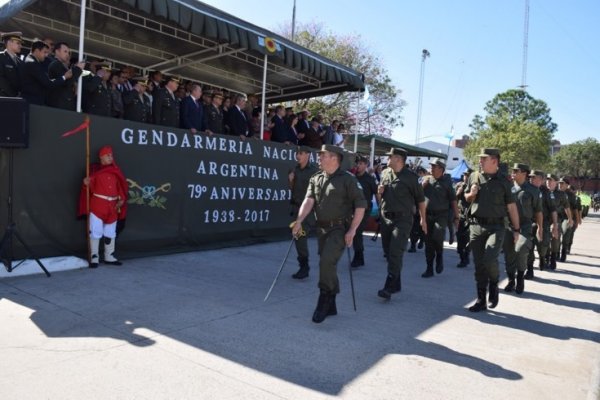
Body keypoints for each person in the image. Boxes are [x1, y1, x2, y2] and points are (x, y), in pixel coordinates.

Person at [292, 145, 367, 323]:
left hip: (339, 229)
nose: (319, 158)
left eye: (323, 155)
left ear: (334, 158)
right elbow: (308, 201)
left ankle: (324, 298)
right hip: (322, 229)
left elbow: (361, 205)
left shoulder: (348, 179)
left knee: (326, 261)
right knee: (328, 265)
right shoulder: (316, 178)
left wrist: (352, 230)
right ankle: (332, 301)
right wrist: (299, 220)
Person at [463, 148, 520, 312]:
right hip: (476, 225)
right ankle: (481, 300)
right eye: (480, 159)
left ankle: (494, 284)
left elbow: (512, 207)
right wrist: (471, 194)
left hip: (496, 227)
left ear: (494, 161)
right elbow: (465, 198)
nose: (480, 161)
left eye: (483, 159)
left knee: (490, 258)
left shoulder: (504, 181)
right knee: (479, 265)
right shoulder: (474, 176)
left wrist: (516, 229)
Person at [376, 147, 427, 300]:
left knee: (395, 251)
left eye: (390, 157)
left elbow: (420, 200)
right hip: (386, 219)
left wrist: (423, 219)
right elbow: (380, 197)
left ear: (398, 159)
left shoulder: (412, 177)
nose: (387, 159)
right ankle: (396, 283)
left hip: (403, 220)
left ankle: (389, 286)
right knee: (387, 251)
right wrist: (380, 192)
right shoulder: (385, 173)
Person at [80, 146, 128, 268]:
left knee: (110, 232)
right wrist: (86, 184)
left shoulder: (115, 171)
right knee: (95, 232)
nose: (111, 158)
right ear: (102, 157)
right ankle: (94, 257)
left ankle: (109, 256)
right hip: (98, 206)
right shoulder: (95, 173)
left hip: (112, 207)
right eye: (108, 155)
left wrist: (121, 199)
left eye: (111, 155)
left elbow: (120, 187)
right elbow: (88, 190)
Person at [502, 164, 542, 295]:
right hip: (508, 226)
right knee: (509, 254)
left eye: (516, 171)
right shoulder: (507, 187)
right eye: (512, 170)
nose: (512, 172)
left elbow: (538, 211)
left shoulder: (533, 190)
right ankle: (510, 280)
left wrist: (541, 227)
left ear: (524, 173)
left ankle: (520, 278)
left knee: (521, 249)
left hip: (525, 226)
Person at [420, 158, 459, 278]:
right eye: (431, 166)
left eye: (434, 167)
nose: (431, 168)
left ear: (441, 169)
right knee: (428, 243)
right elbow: (418, 196)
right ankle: (429, 268)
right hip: (428, 215)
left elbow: (453, 200)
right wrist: (422, 186)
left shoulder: (447, 182)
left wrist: (457, 217)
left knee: (438, 235)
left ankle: (440, 255)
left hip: (441, 215)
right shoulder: (427, 180)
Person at [288, 146, 319, 279]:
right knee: (298, 237)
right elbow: (292, 189)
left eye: (300, 153)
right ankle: (303, 266)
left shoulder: (314, 171)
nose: (298, 156)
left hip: (308, 210)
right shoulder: (294, 169)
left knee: (300, 236)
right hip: (296, 208)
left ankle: (304, 267)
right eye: (297, 153)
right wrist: (290, 181)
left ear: (307, 155)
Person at [19, 40, 72, 106]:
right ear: (37, 51)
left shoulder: (31, 62)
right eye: (44, 52)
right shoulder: (32, 64)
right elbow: (48, 83)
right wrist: (64, 77)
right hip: (31, 103)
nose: (46, 55)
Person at [525, 170, 557, 279]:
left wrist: (555, 226)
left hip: (544, 223)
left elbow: (553, 210)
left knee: (543, 245)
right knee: (528, 247)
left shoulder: (547, 193)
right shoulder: (526, 189)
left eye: (535, 177)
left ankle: (543, 257)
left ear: (542, 180)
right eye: (531, 177)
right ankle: (529, 270)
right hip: (529, 223)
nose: (532, 179)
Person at [351, 155, 378, 268]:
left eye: (361, 164)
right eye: (358, 163)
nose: (359, 165)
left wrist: (380, 209)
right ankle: (359, 257)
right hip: (353, 209)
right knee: (354, 233)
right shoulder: (353, 177)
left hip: (365, 209)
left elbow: (377, 194)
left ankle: (358, 257)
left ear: (366, 165)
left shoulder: (370, 179)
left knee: (357, 232)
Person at [47, 42, 84, 110]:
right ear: (57, 51)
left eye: (68, 52)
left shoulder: (61, 65)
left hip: (65, 105)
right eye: (65, 51)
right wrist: (78, 69)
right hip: (58, 105)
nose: (67, 54)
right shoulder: (55, 64)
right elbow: (66, 82)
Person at [547, 174, 571, 270]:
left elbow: (567, 207)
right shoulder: (542, 191)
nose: (548, 182)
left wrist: (570, 219)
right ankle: (544, 257)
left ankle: (553, 258)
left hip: (557, 220)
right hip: (544, 220)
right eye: (547, 180)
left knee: (555, 238)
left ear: (555, 182)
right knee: (543, 241)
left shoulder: (561, 194)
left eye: (551, 180)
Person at [559, 179, 580, 261]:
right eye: (559, 183)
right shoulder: (555, 192)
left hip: (566, 218)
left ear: (567, 185)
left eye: (562, 183)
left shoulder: (571, 195)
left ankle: (563, 252)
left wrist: (577, 221)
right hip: (556, 217)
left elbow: (575, 209)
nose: (560, 185)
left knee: (566, 233)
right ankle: (555, 252)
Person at [455, 169, 472, 268]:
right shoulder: (459, 185)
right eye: (465, 175)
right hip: (460, 217)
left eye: (468, 175)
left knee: (468, 240)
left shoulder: (474, 187)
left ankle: (465, 257)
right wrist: (458, 192)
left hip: (471, 218)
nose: (466, 176)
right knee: (460, 241)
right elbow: (453, 200)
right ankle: (462, 256)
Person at [0, 31, 23, 97]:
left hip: (17, 99)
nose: (21, 46)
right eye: (18, 43)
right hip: (3, 97)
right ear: (9, 42)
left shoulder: (20, 61)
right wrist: (13, 95)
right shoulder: (1, 57)